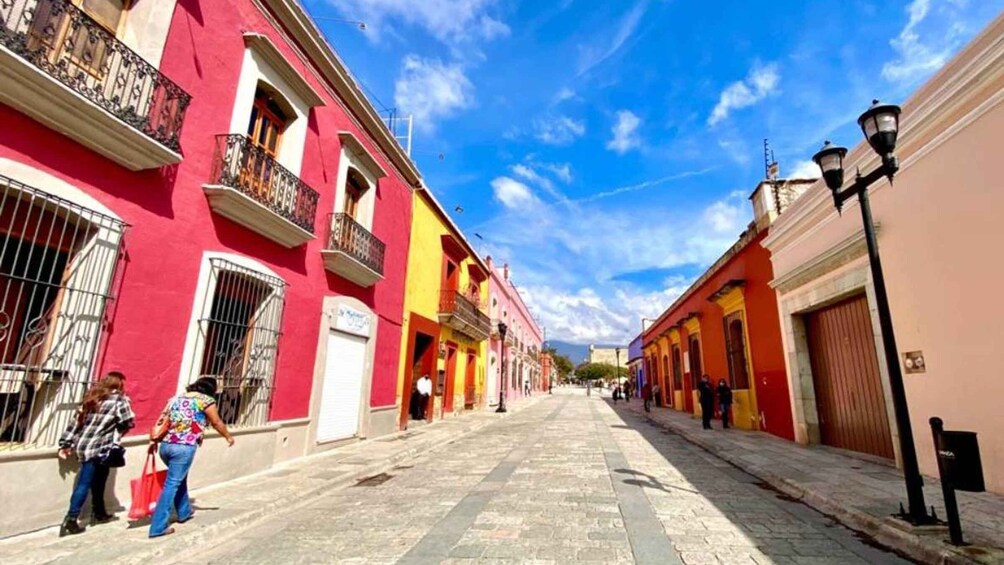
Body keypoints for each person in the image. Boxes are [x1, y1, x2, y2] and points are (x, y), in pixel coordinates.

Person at [148, 377, 234, 538]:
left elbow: (161, 420)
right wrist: (228, 436)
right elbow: (216, 422)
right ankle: (158, 526)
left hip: (166, 446)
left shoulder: (175, 399)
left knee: (179, 478)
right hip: (184, 446)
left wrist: (153, 441)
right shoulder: (206, 400)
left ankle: (184, 511)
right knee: (172, 483)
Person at [57, 372, 135, 537]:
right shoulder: (119, 400)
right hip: (100, 446)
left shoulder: (91, 398)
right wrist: (117, 430)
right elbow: (128, 420)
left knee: (100, 478)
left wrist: (65, 443)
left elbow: (75, 422)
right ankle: (71, 518)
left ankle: (99, 512)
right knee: (85, 482)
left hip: (83, 444)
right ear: (119, 384)